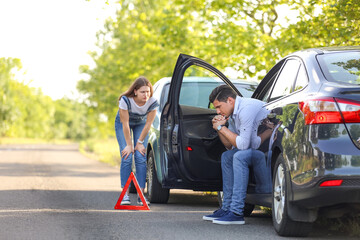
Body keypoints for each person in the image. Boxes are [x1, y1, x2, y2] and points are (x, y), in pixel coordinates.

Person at [202, 85, 273, 224]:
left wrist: (221, 127)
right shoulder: (233, 113)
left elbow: (243, 145)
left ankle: (236, 212)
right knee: (226, 156)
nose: (217, 111)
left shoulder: (246, 109)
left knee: (239, 156)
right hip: (256, 149)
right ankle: (227, 207)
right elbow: (230, 145)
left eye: (219, 107)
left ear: (230, 100)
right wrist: (220, 129)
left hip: (267, 153)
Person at [115, 76, 159, 205]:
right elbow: (125, 124)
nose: (146, 95)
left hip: (141, 125)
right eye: (142, 92)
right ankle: (125, 195)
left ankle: (141, 195)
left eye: (148, 91)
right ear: (135, 91)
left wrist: (139, 143)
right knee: (127, 155)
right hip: (123, 125)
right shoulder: (125, 100)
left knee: (140, 156)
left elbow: (148, 125)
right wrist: (129, 145)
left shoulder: (152, 102)